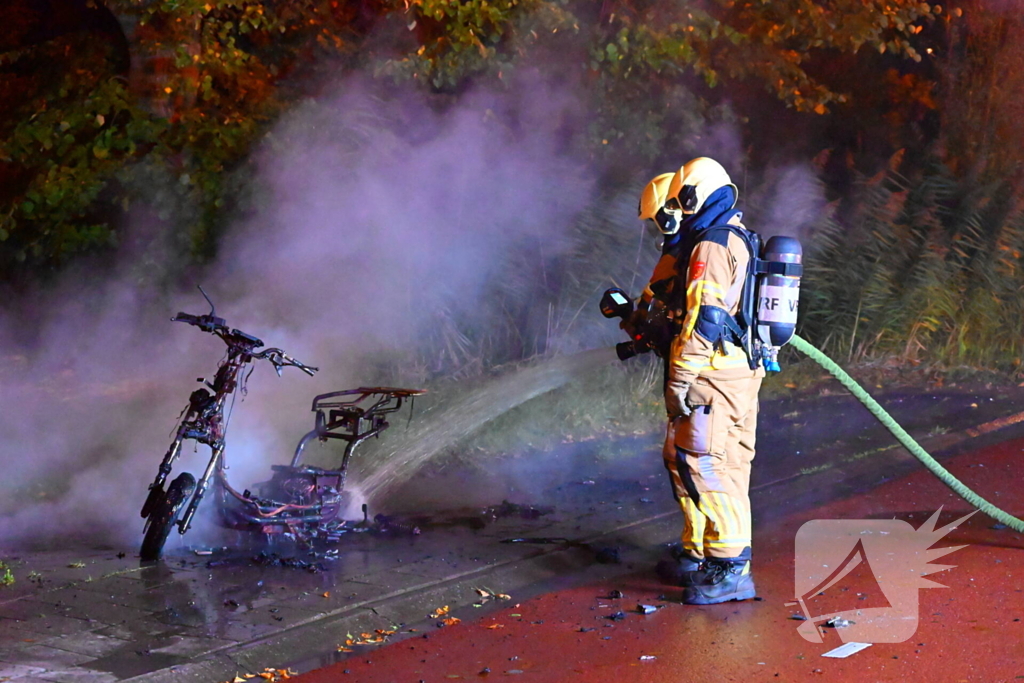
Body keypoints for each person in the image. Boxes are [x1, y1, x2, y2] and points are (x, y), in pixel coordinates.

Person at [641, 157, 764, 605]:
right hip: (732, 373)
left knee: (709, 467)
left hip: (711, 374)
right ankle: (706, 555)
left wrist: (679, 378)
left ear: (694, 195)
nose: (679, 211)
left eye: (682, 200)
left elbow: (705, 320)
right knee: (715, 463)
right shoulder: (729, 235)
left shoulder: (712, 245)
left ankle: (730, 569)